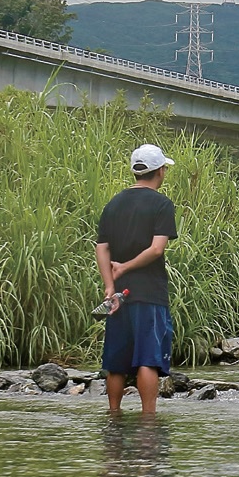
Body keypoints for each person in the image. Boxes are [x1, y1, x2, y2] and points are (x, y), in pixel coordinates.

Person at [96, 143, 178, 415]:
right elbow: (156, 249)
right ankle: (148, 419)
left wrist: (110, 284)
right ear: (160, 171)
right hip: (149, 293)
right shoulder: (162, 204)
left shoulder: (114, 203)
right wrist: (125, 268)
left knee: (116, 360)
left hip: (118, 296)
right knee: (148, 358)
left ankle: (114, 414)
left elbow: (101, 247)